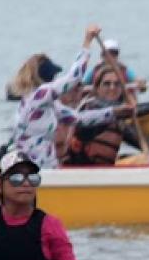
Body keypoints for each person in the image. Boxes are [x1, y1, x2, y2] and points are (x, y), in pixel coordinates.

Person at [11, 24, 127, 169]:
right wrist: (87, 42)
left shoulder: (47, 104)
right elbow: (74, 78)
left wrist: (114, 113)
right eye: (53, 76)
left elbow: (79, 119)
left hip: (47, 169)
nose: (55, 79)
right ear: (45, 78)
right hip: (33, 172)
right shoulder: (38, 95)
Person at [68, 66, 149, 165]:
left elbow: (146, 144)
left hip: (102, 177)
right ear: (96, 89)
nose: (112, 88)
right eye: (107, 83)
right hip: (78, 175)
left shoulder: (118, 121)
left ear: (122, 89)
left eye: (117, 84)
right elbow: (128, 110)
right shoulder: (91, 107)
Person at [81, 38, 146, 92]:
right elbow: (82, 86)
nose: (110, 57)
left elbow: (138, 84)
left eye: (114, 53)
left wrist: (141, 84)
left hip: (122, 103)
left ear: (117, 55)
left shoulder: (125, 70)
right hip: (99, 103)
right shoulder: (94, 71)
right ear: (102, 55)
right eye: (107, 54)